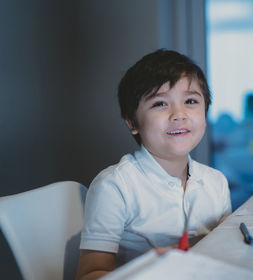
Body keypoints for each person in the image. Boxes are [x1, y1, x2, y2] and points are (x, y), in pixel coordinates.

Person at [75, 49, 232, 279]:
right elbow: (89, 274)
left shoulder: (216, 182)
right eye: (160, 104)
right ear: (132, 123)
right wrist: (148, 269)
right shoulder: (115, 186)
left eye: (190, 101)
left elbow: (228, 251)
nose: (179, 114)